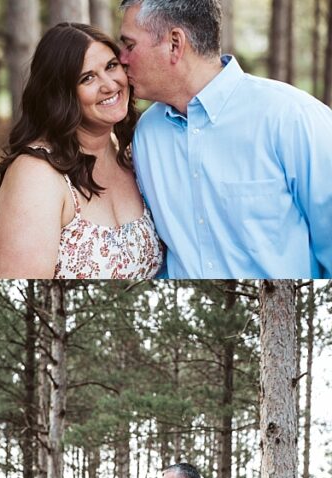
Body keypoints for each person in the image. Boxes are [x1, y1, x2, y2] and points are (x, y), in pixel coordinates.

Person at [118, 0, 332, 278]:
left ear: (174, 44)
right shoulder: (146, 135)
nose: (121, 59)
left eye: (129, 45)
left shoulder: (292, 118)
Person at [0, 22, 163, 279]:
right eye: (87, 78)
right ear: (61, 95)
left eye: (111, 66)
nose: (110, 85)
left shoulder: (132, 153)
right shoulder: (38, 174)